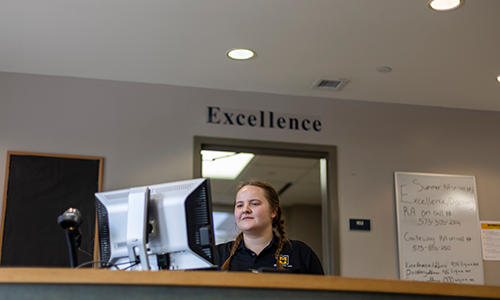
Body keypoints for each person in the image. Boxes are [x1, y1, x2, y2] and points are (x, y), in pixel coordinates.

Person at [216, 180, 324, 275]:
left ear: (273, 211)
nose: (245, 209)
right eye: (240, 205)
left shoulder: (300, 253)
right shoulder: (217, 255)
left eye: (254, 203)